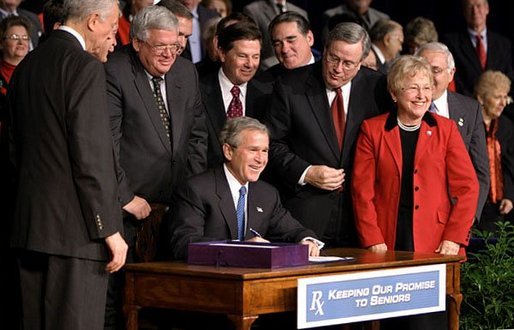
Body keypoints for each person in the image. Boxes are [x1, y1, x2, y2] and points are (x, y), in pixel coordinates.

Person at [7, 0, 127, 329]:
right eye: (113, 28)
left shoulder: (26, 66)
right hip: (77, 236)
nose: (114, 39)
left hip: (29, 229)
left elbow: (13, 152)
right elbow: (91, 154)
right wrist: (109, 230)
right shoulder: (84, 66)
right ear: (93, 22)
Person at [351, 54, 479, 330]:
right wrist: (372, 238)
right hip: (388, 243)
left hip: (435, 245)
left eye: (426, 87)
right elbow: (362, 192)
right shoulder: (372, 130)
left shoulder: (444, 130)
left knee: (427, 322)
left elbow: (468, 188)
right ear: (395, 93)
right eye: (413, 88)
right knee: (392, 320)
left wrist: (454, 238)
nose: (422, 95)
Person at [104, 5, 207, 328]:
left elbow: (198, 136)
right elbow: (106, 143)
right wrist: (125, 196)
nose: (169, 54)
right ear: (137, 43)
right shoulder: (114, 70)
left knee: (169, 305)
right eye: (160, 46)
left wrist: (189, 193)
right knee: (121, 304)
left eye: (175, 45)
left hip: (175, 208)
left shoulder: (186, 72)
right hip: (127, 211)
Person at [265, 22, 390, 247]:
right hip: (305, 219)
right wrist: (306, 171)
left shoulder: (377, 87)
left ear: (361, 63)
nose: (337, 68)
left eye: (348, 63)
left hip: (361, 221)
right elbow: (271, 145)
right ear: (324, 50)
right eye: (332, 58)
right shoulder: (290, 86)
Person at [168, 117, 322, 260]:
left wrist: (306, 240)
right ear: (228, 151)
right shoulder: (196, 189)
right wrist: (242, 248)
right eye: (253, 150)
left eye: (265, 151)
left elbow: (292, 229)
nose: (260, 159)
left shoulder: (267, 193)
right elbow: (184, 245)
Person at [416, 42, 489, 223]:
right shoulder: (399, 107)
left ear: (451, 74)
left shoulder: (470, 110)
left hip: (454, 216)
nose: (428, 77)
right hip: (409, 217)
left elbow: (480, 171)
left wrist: (469, 217)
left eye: (436, 70)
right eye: (423, 69)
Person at [200, 21, 272, 168]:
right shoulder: (197, 90)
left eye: (255, 57)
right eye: (242, 56)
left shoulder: (269, 93)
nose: (250, 64)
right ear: (222, 53)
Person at [442, 0, 514, 98]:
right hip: (467, 105)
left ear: (487, 9)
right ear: (464, 11)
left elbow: (509, 75)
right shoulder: (451, 43)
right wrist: (475, 104)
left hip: (500, 106)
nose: (475, 11)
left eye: (478, 5)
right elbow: (455, 79)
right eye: (470, 6)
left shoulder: (503, 44)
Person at [474, 71, 514, 232]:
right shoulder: (470, 123)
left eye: (505, 97)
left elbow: (509, 165)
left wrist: (509, 196)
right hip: (475, 203)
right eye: (497, 97)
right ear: (481, 98)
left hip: (499, 206)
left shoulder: (506, 126)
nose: (503, 103)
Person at [243, 0, 308, 70]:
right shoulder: (253, 10)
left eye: (290, 39)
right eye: (277, 43)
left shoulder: (300, 11)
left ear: (310, 38)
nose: (285, 49)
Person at [260, 11, 316, 81]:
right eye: (277, 44)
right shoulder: (264, 83)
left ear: (309, 38)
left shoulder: (329, 72)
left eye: (291, 40)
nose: (284, 50)